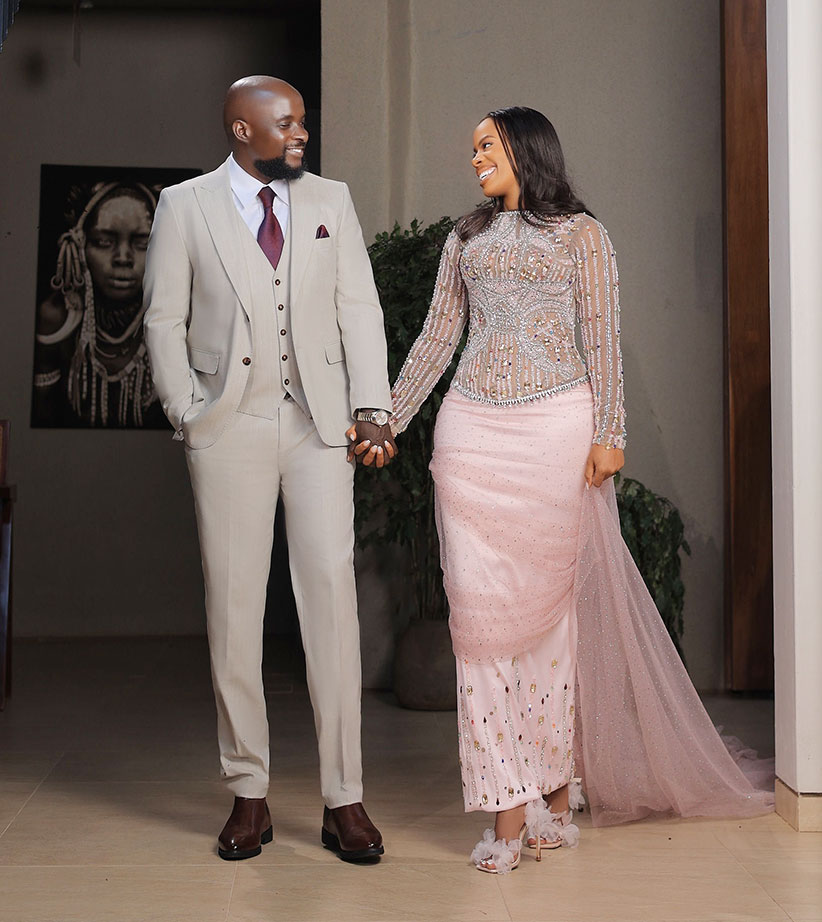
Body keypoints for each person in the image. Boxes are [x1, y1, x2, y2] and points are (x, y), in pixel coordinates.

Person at [365, 106, 773, 874]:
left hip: (556, 432)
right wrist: (390, 417)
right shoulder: (465, 239)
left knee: (553, 627)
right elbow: (438, 336)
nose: (475, 158)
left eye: (486, 144)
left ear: (525, 148)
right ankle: (506, 812)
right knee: (479, 628)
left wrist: (610, 432)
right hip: (470, 436)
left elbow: (602, 337)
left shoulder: (584, 235)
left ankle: (553, 798)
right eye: (473, 148)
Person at [143, 76, 397, 863]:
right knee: (234, 608)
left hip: (320, 426)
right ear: (240, 129)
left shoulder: (331, 200)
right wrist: (189, 413)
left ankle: (344, 798)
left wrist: (372, 406)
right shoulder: (185, 206)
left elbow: (359, 308)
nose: (300, 134)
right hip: (229, 427)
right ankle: (248, 792)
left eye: (302, 121)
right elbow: (163, 317)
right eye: (285, 123)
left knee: (332, 601)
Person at [34, 182, 165, 427]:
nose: (123, 258)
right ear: (79, 246)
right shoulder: (57, 318)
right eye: (104, 242)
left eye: (142, 243)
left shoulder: (183, 323)